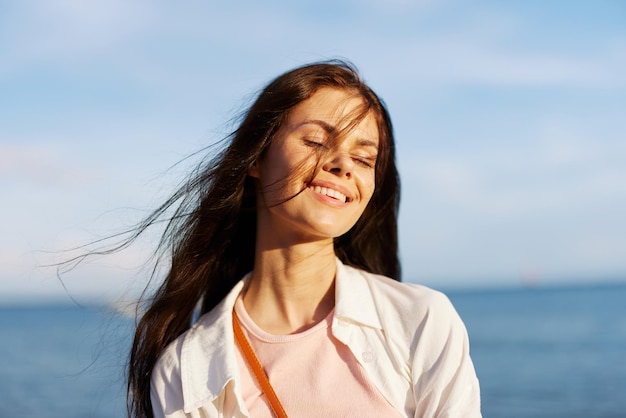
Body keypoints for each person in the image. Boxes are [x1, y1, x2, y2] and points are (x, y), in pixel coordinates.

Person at [127, 60, 481, 418]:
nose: (343, 164)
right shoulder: (187, 369)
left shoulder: (419, 320)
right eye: (315, 141)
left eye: (363, 158)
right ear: (257, 158)